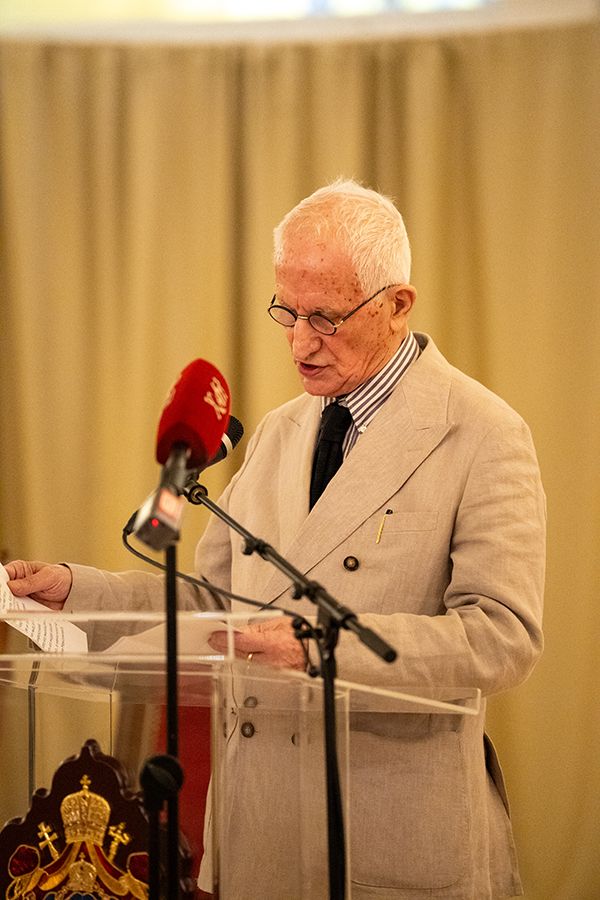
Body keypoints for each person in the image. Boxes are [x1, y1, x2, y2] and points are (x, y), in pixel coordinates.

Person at [6, 180, 546, 899]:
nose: (299, 341)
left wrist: (320, 647)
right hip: (258, 833)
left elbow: (501, 637)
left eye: (325, 317)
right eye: (286, 311)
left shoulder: (482, 433)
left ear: (397, 304)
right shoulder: (277, 432)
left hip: (385, 829)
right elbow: (212, 603)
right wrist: (77, 591)